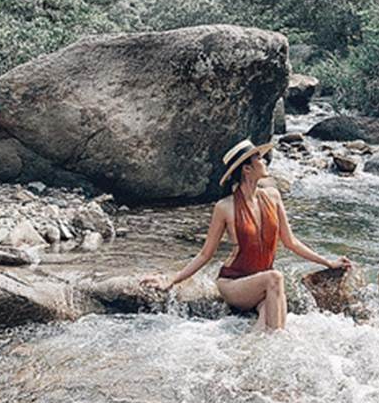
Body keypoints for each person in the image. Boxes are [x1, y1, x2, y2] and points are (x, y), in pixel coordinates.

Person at [141, 138, 351, 331]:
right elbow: (205, 254)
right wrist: (172, 280)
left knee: (272, 331)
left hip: (263, 284)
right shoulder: (224, 207)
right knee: (276, 278)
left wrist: (328, 263)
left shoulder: (273, 196)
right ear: (247, 169)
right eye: (259, 158)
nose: (265, 161)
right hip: (234, 284)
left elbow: (291, 242)